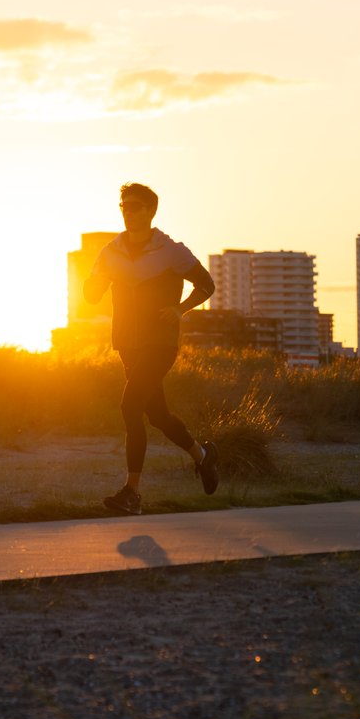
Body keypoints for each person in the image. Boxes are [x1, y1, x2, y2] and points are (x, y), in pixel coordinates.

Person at [84, 182, 219, 515]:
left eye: (133, 206)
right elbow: (91, 293)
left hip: (160, 342)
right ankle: (203, 456)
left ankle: (132, 494)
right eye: (123, 206)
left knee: (130, 407)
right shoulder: (110, 250)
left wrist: (180, 309)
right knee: (157, 415)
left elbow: (207, 285)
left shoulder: (170, 250)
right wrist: (94, 281)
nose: (127, 211)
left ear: (149, 210)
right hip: (127, 342)